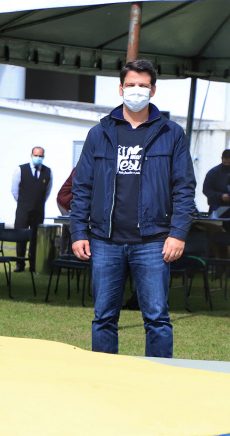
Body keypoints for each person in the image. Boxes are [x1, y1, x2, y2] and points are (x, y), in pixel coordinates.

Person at [71, 59, 195, 358]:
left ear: (153, 90)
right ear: (120, 89)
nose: (136, 91)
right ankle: (104, 382)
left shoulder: (171, 133)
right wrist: (78, 231)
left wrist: (178, 233)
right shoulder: (99, 133)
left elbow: (184, 187)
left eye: (142, 85)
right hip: (105, 240)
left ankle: (158, 381)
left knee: (157, 319)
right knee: (103, 319)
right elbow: (81, 186)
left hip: (153, 241)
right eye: (130, 85)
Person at [11, 146, 52, 272]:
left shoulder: (47, 172)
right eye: (36, 155)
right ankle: (20, 263)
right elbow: (14, 190)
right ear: (31, 155)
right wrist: (23, 202)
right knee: (21, 236)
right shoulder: (20, 169)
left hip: (38, 209)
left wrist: (38, 203)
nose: (38, 158)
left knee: (35, 238)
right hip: (23, 208)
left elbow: (47, 191)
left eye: (40, 156)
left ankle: (33, 264)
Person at [202, 149, 230, 214]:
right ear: (222, 159)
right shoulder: (213, 173)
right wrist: (221, 196)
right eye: (225, 163)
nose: (227, 165)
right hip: (217, 208)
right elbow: (206, 190)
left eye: (229, 163)